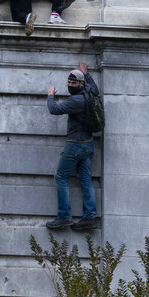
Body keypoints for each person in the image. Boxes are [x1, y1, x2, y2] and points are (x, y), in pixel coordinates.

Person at [45, 63, 99, 231]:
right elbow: (94, 87)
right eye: (69, 82)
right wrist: (86, 73)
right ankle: (89, 217)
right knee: (85, 179)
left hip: (75, 144)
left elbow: (54, 109)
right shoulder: (91, 93)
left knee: (61, 177)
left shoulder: (76, 100)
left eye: (74, 83)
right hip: (88, 144)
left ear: (81, 85)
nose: (70, 86)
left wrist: (50, 95)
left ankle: (64, 216)